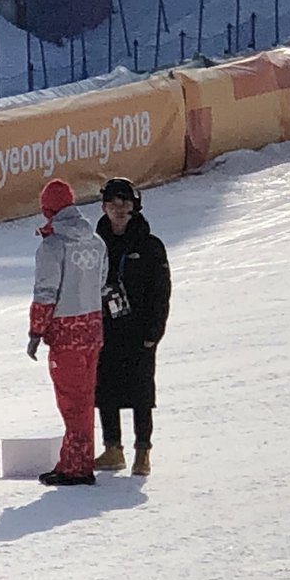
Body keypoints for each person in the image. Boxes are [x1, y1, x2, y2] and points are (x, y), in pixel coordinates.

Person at [27, 178, 108, 487]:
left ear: (47, 209)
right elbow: (101, 281)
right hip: (93, 328)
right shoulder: (96, 240)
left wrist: (36, 331)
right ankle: (79, 460)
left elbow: (45, 293)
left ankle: (76, 466)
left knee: (71, 403)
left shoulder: (52, 245)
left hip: (65, 333)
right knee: (84, 400)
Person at [94, 177, 171, 477]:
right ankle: (113, 449)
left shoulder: (150, 246)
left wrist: (155, 331)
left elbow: (161, 291)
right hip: (105, 328)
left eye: (125, 202)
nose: (119, 208)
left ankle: (143, 452)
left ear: (135, 206)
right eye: (113, 202)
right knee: (105, 391)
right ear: (104, 206)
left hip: (139, 330)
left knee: (141, 393)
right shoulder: (96, 243)